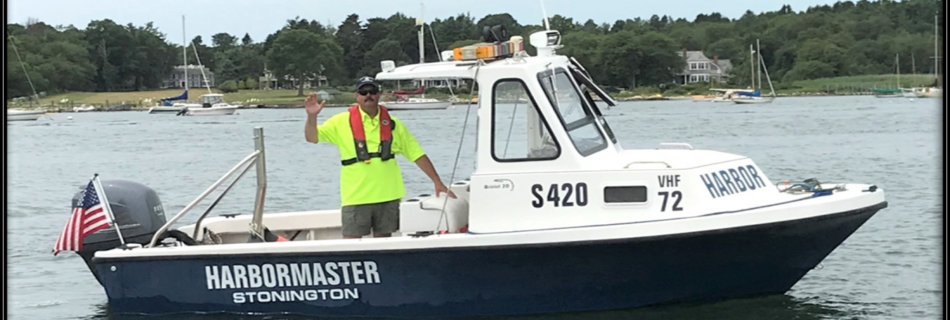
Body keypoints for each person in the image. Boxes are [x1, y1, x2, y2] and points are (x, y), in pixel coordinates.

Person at [304, 76, 455, 239]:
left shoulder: (393, 124)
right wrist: (312, 116)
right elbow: (312, 138)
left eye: (372, 91)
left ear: (379, 95)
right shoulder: (340, 122)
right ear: (357, 96)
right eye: (363, 92)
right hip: (356, 196)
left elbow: (417, 154)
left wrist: (437, 181)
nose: (368, 95)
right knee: (351, 243)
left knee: (384, 241)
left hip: (389, 196)